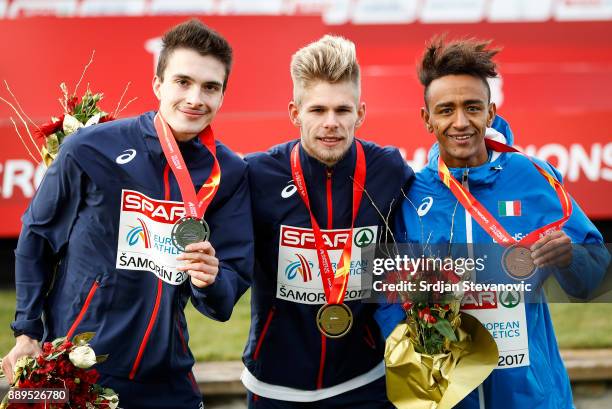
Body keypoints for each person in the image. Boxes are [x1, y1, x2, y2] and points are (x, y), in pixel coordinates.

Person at [2, 19, 253, 409]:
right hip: (76, 370)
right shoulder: (90, 148)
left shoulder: (229, 173)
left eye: (210, 87)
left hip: (167, 378)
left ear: (223, 95)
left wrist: (211, 280)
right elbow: (36, 237)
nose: (195, 98)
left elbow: (221, 303)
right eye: (182, 82)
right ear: (158, 85)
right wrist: (26, 334)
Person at [376, 36, 610, 408]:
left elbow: (594, 277)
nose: (460, 122)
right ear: (426, 119)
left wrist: (571, 258)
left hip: (532, 398)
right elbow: (386, 292)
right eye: (446, 110)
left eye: (472, 107)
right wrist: (415, 342)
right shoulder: (411, 194)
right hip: (450, 399)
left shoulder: (534, 178)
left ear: (490, 112)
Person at [242, 35, 414, 408]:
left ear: (361, 113)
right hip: (274, 387)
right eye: (318, 110)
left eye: (343, 110)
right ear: (294, 113)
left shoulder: (389, 169)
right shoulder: (257, 175)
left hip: (364, 382)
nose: (331, 123)